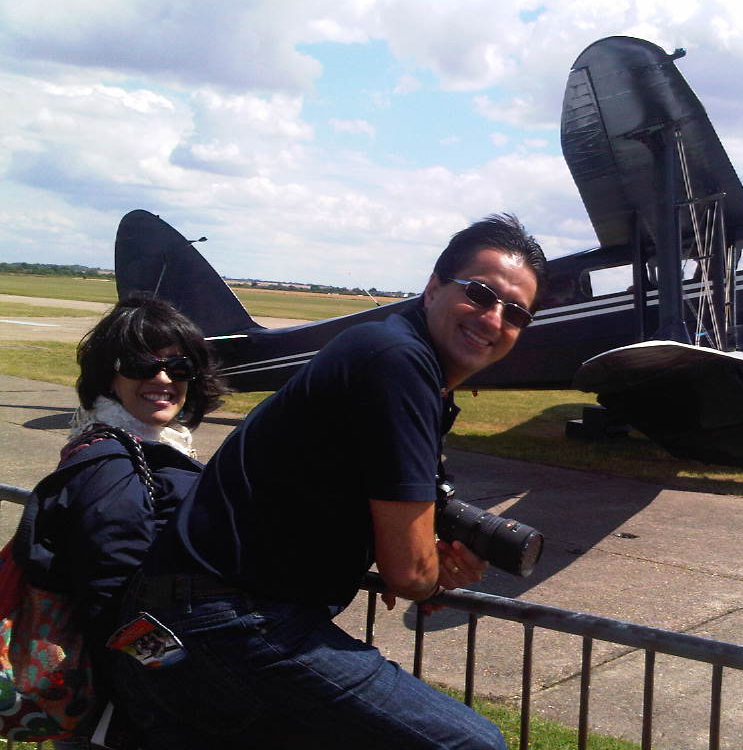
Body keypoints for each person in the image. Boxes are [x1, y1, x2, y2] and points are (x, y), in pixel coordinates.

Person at [111, 214, 547, 749]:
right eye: (480, 293)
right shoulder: (400, 361)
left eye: (517, 312)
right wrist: (425, 570)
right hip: (229, 623)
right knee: (473, 744)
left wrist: (419, 553)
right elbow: (409, 573)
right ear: (433, 288)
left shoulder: (409, 367)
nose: (494, 317)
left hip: (182, 615)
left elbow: (342, 499)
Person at [20, 296, 224, 748]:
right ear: (108, 374)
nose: (163, 378)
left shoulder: (140, 446)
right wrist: (177, 673)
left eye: (180, 366)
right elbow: (115, 604)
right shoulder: (113, 465)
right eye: (140, 364)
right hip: (129, 712)